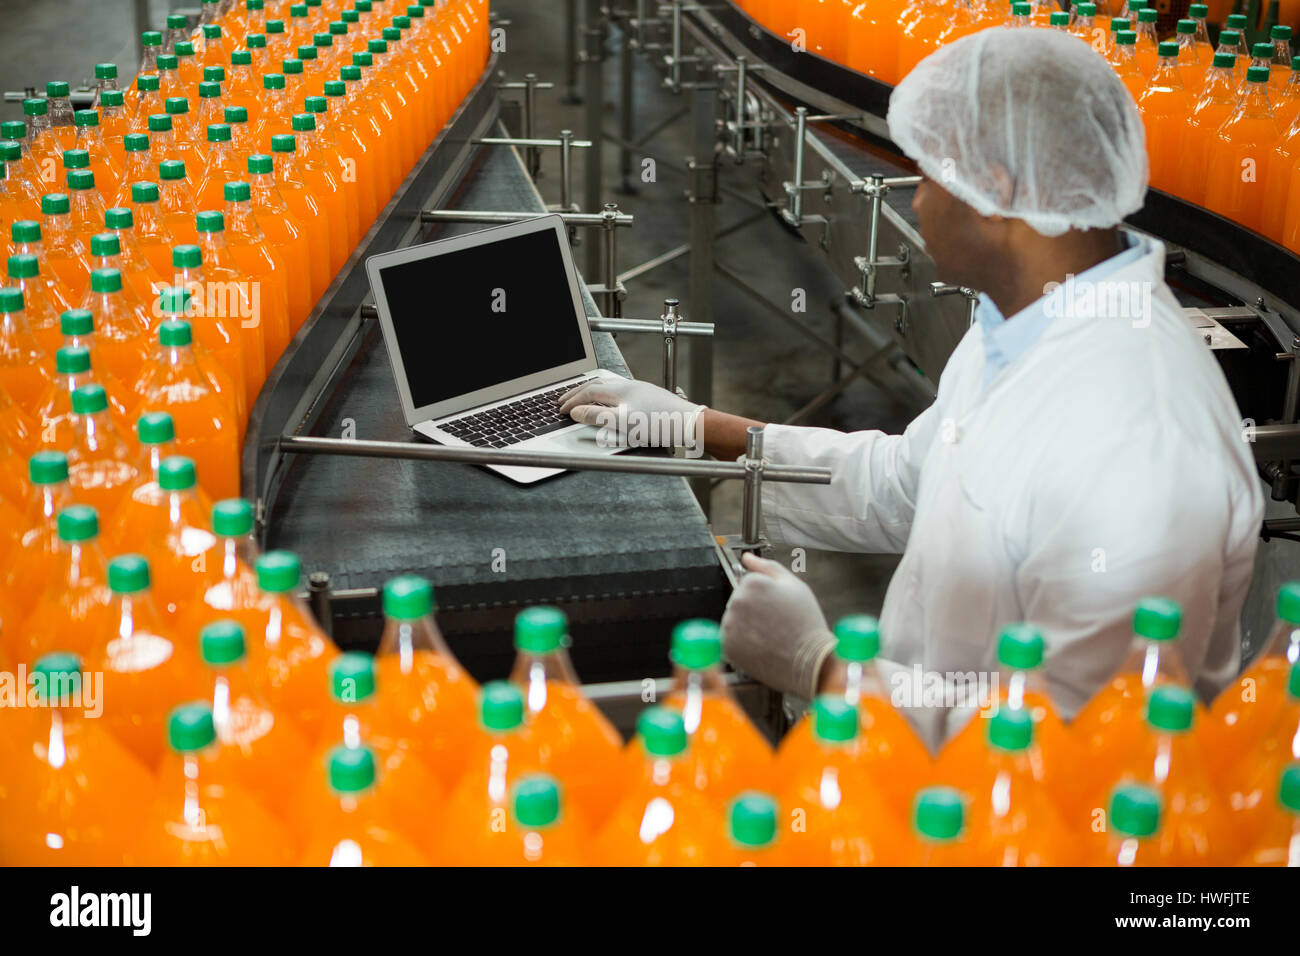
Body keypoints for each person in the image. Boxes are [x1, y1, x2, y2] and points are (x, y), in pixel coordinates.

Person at [558, 28, 1264, 749]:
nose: (917, 201)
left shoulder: (1140, 438)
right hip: (914, 777)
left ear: (997, 189)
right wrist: (697, 428)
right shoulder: (1023, 323)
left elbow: (1081, 747)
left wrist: (826, 669)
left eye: (927, 173)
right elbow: (905, 483)